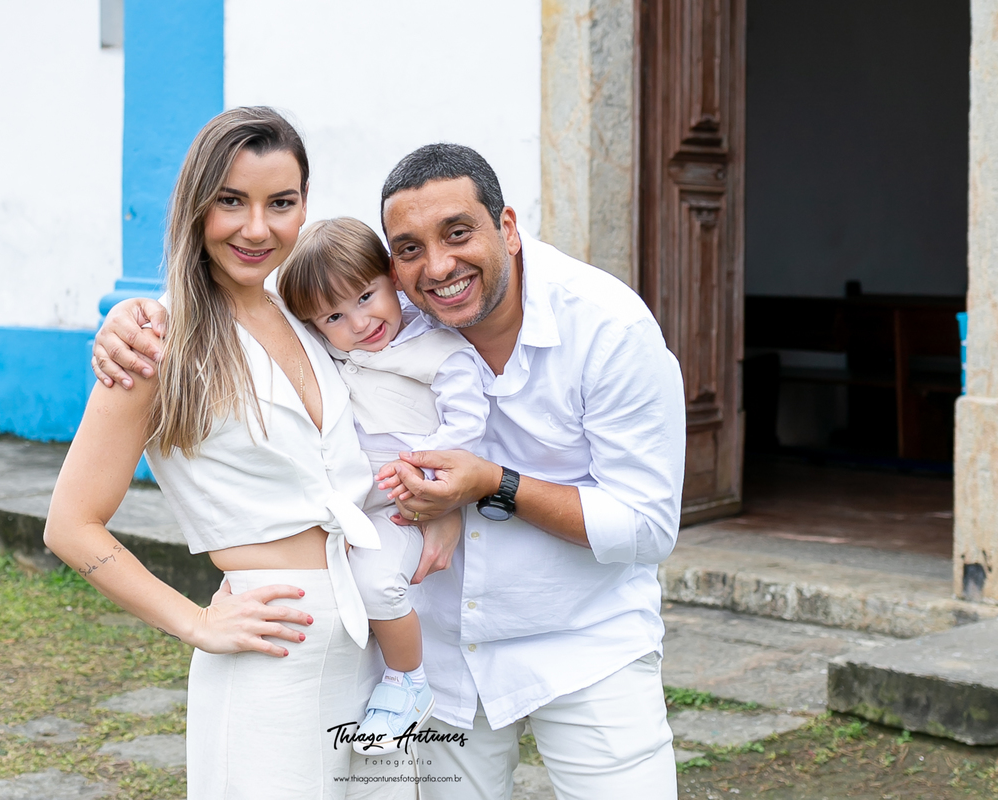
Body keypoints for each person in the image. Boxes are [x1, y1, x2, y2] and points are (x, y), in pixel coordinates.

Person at [94, 144, 687, 799]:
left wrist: (495, 484)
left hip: (582, 646)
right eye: (409, 249)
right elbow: (252, 307)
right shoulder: (365, 319)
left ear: (509, 228)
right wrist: (134, 316)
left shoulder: (609, 330)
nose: (438, 266)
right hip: (434, 656)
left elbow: (647, 530)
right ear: (390, 264)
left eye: (458, 234)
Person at [45, 107, 413, 800]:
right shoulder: (158, 342)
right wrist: (197, 622)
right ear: (196, 206)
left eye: (281, 203)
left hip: (370, 645)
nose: (256, 228)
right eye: (231, 202)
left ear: (304, 206)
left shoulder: (308, 317)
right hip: (270, 650)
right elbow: (70, 524)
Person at [276, 217, 489, 754]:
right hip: (342, 503)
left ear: (391, 276)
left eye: (367, 295)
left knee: (375, 582)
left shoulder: (442, 349)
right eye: (334, 316)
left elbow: (467, 423)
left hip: (405, 503)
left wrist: (429, 473)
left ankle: (408, 679)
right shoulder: (328, 351)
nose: (360, 321)